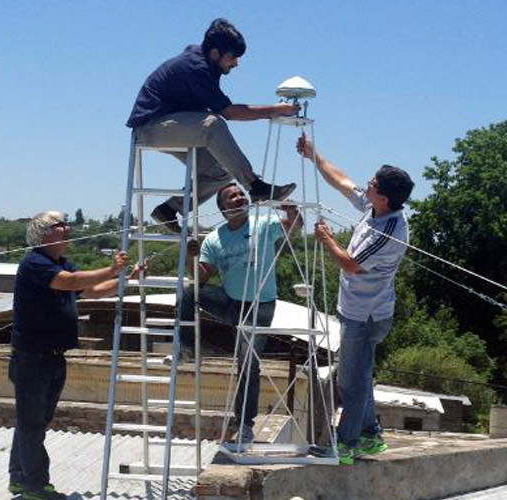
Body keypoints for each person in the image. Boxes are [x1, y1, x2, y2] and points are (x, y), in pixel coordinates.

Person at [296, 136, 414, 465]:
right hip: (356, 312)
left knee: (352, 381)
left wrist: (327, 239)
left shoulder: (388, 231)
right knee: (358, 375)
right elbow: (342, 181)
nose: (367, 183)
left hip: (367, 316)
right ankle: (372, 434)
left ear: (385, 197)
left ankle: (345, 443)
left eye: (373, 183)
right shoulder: (376, 207)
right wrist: (314, 155)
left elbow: (350, 264)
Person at [8, 210, 141, 499]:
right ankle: (35, 485)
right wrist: (111, 269)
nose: (67, 228)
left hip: (53, 356)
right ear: (44, 234)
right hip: (33, 358)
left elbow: (90, 290)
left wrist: (126, 279)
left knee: (33, 421)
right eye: (60, 225)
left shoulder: (60, 264)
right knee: (32, 423)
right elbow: (69, 282)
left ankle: (19, 478)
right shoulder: (35, 263)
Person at [126, 18, 300, 233]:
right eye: (233, 57)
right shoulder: (197, 68)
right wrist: (274, 110)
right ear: (215, 53)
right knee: (212, 125)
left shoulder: (206, 64)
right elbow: (230, 113)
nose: (236, 63)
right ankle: (255, 187)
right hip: (150, 128)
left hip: (175, 126)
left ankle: (170, 209)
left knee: (221, 171)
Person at [175, 183, 301, 443]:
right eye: (232, 196)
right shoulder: (214, 239)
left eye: (241, 194)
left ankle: (244, 424)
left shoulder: (263, 225)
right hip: (232, 303)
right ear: (223, 209)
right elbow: (199, 279)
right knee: (188, 293)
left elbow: (294, 228)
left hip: (259, 307)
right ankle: (187, 347)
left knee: (248, 364)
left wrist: (293, 212)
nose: (239, 197)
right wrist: (191, 257)